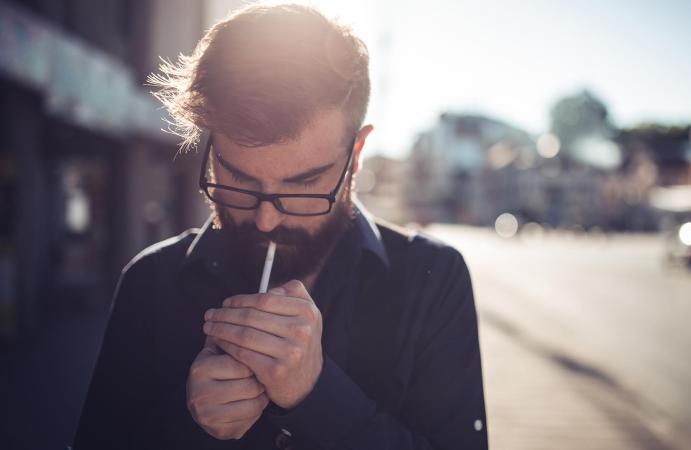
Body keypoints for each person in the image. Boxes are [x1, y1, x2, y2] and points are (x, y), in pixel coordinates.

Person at [72, 4, 487, 449]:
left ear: (357, 153)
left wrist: (316, 395)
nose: (266, 218)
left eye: (303, 184)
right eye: (239, 178)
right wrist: (184, 421)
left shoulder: (432, 280)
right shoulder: (151, 280)